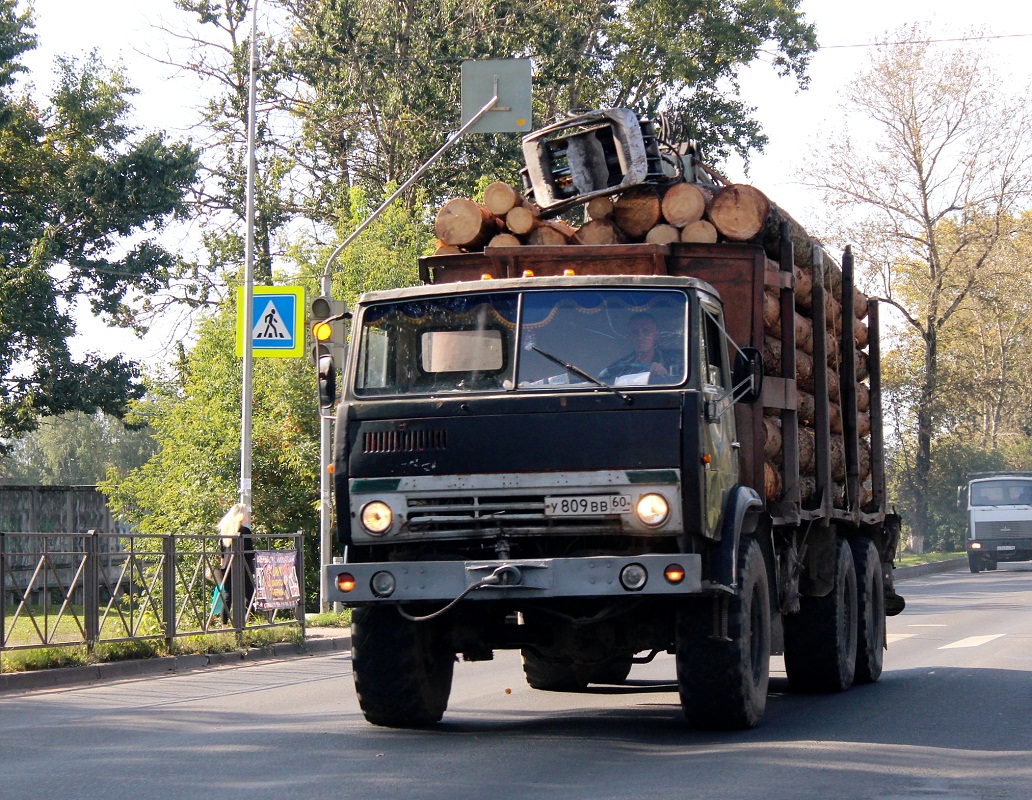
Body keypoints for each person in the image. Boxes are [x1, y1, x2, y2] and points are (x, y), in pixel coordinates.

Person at [599, 312, 682, 384]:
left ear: (655, 335)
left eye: (645, 331)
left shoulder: (676, 361)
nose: (640, 337)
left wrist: (666, 377)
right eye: (635, 332)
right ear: (629, 337)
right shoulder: (617, 369)